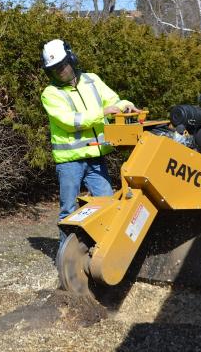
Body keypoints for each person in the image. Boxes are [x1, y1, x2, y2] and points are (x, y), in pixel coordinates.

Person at [40, 39, 140, 243]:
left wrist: (126, 106)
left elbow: (114, 101)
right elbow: (71, 121)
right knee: (68, 210)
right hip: (70, 161)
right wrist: (102, 112)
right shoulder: (50, 94)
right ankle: (65, 258)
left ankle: (102, 249)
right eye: (54, 69)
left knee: (107, 204)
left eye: (62, 66)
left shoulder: (92, 80)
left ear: (72, 59)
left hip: (96, 157)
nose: (59, 72)